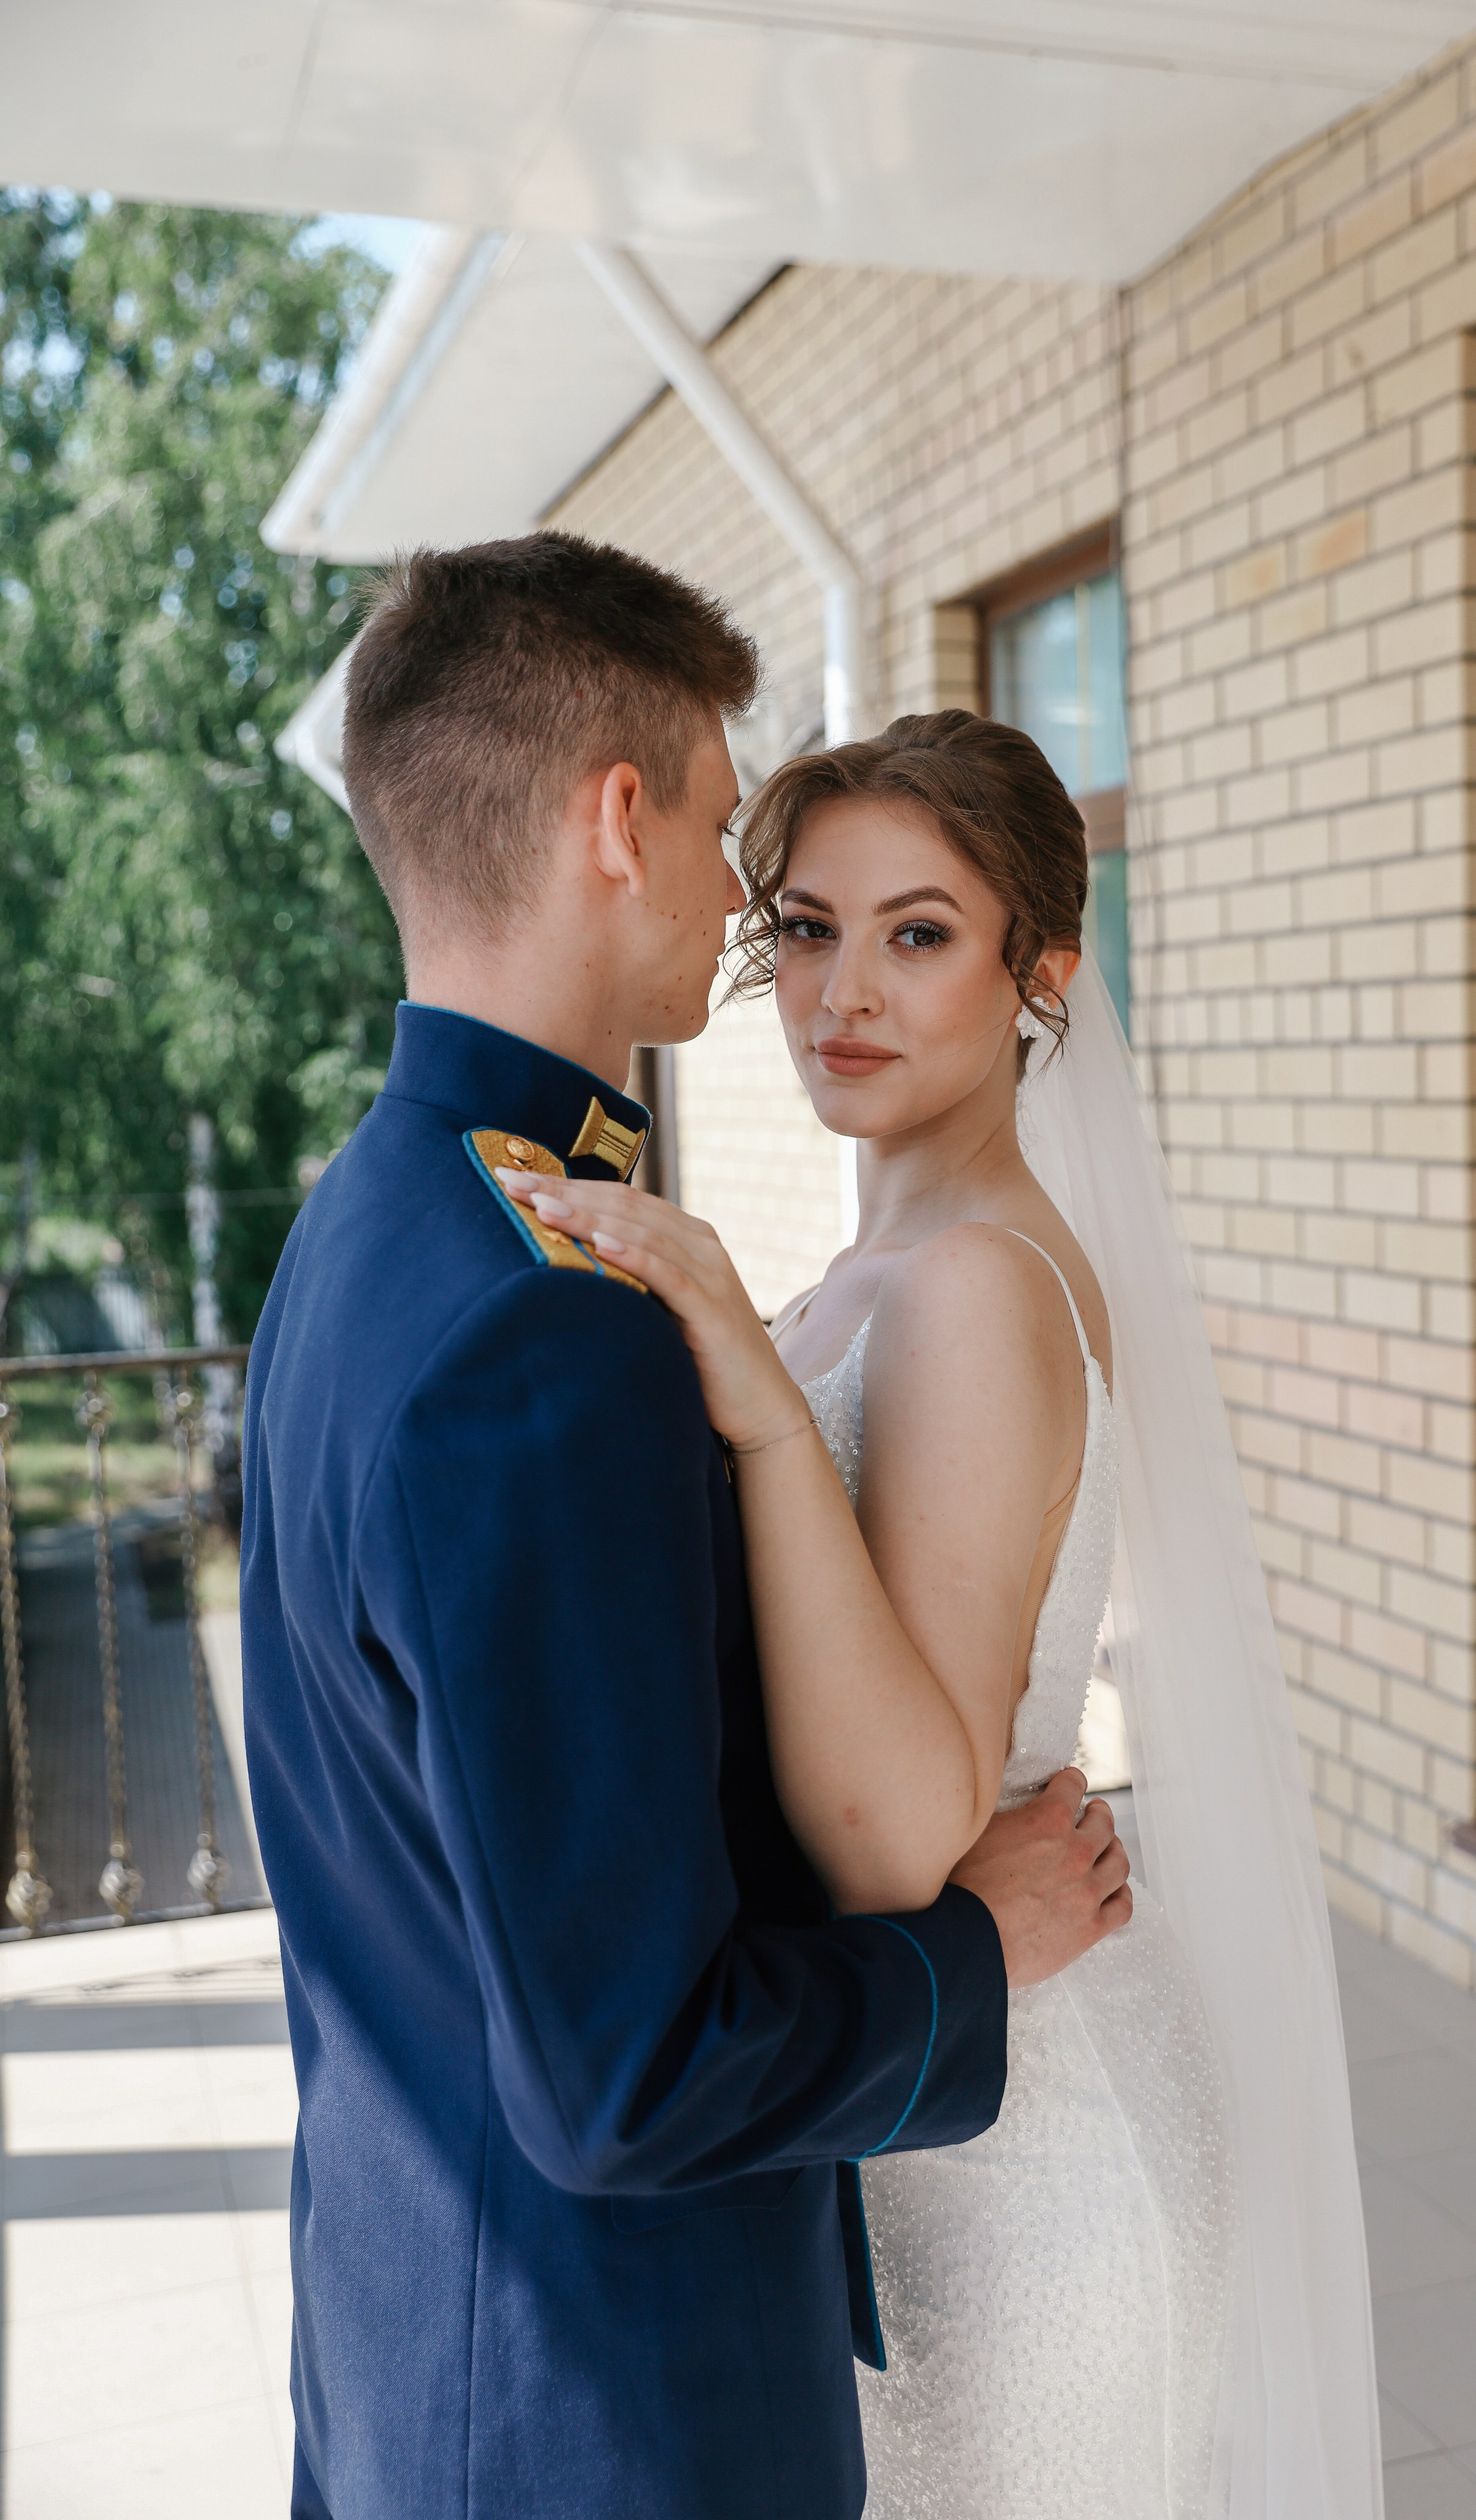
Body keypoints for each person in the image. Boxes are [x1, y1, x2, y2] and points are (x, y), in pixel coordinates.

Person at [240, 542, 1133, 2520]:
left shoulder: (368, 1228)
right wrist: (974, 1956)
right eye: (751, 857)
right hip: (599, 2412)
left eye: (911, 934)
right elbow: (630, 2071)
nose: (758, 927)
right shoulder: (541, 1331)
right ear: (619, 821)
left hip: (425, 2339)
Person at [517, 711, 1385, 2519]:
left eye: (920, 933)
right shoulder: (869, 1276)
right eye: (809, 927)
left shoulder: (979, 1288)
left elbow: (910, 1830)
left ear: (1040, 973)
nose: (845, 988)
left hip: (1028, 2155)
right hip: (909, 2106)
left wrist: (750, 1392)